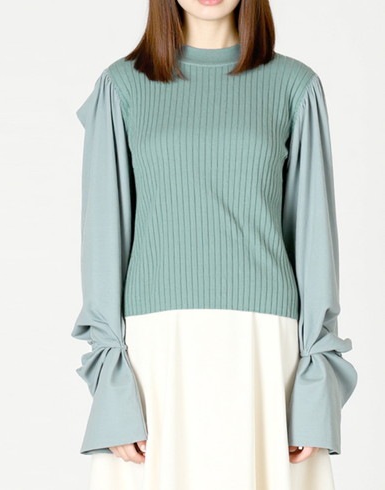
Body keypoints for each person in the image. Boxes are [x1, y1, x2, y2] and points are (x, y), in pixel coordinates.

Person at [71, 0, 358, 488]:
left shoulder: (295, 86)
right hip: (156, 350)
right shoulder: (121, 87)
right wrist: (112, 383)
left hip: (263, 348)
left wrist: (314, 390)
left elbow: (314, 240)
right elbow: (103, 236)